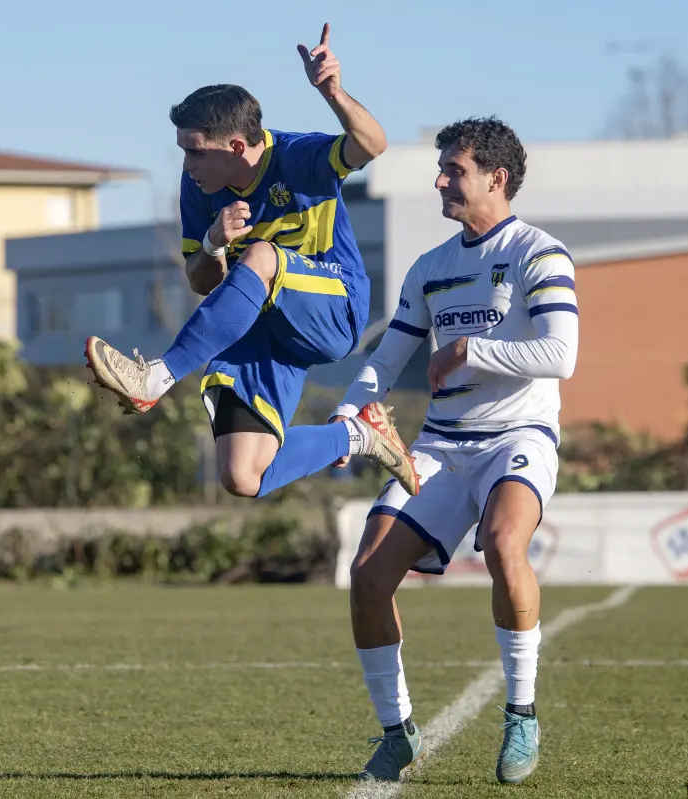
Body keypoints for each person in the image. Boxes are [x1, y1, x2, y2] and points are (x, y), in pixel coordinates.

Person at [332, 117, 579, 785]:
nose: (440, 179)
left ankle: (521, 713)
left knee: (504, 544)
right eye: (440, 168)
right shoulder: (431, 267)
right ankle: (397, 730)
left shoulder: (541, 253)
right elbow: (386, 358)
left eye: (454, 169)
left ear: (496, 178)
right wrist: (344, 416)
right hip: (442, 443)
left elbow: (562, 355)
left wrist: (472, 347)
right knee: (368, 573)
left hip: (520, 438)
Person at [85, 23, 419, 499]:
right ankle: (363, 434)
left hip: (334, 309)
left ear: (236, 146)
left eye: (194, 152)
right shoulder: (198, 188)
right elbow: (203, 282)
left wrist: (334, 92)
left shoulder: (299, 156)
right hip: (261, 328)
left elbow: (372, 144)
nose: (185, 166)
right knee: (243, 476)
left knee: (263, 255)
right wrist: (213, 245)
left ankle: (155, 377)